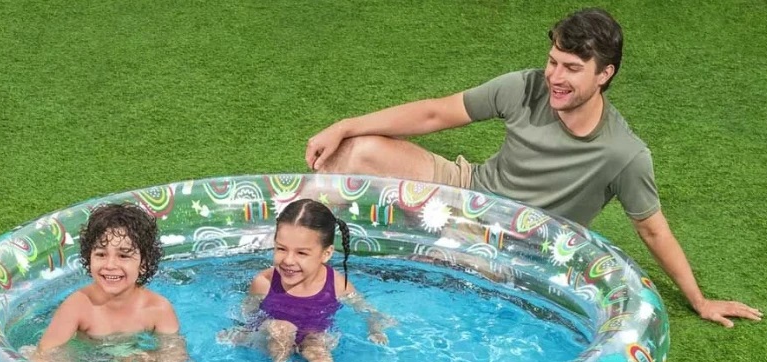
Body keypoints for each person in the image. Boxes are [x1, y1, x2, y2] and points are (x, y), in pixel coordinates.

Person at [305, 7, 761, 328]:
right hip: (470, 189)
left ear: (604, 74)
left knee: (451, 271)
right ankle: (293, 257)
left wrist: (699, 299)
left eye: (572, 68)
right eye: (553, 61)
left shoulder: (623, 153)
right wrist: (344, 126)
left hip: (517, 239)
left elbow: (652, 230)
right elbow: (434, 113)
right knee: (355, 152)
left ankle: (375, 286)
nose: (555, 77)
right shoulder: (525, 88)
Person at [221, 198, 391, 362]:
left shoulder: (337, 285)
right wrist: (241, 334)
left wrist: (375, 329)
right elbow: (249, 316)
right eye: (281, 249)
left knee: (319, 352)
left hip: (315, 336)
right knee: (281, 329)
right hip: (274, 338)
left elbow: (368, 310)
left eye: (301, 253)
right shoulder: (263, 283)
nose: (288, 260)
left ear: (326, 254)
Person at [34, 202, 187, 362]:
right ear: (89, 258)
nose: (110, 265)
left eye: (123, 255)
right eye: (101, 254)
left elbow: (174, 352)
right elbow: (44, 355)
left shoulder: (158, 309)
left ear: (143, 264)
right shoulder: (78, 306)